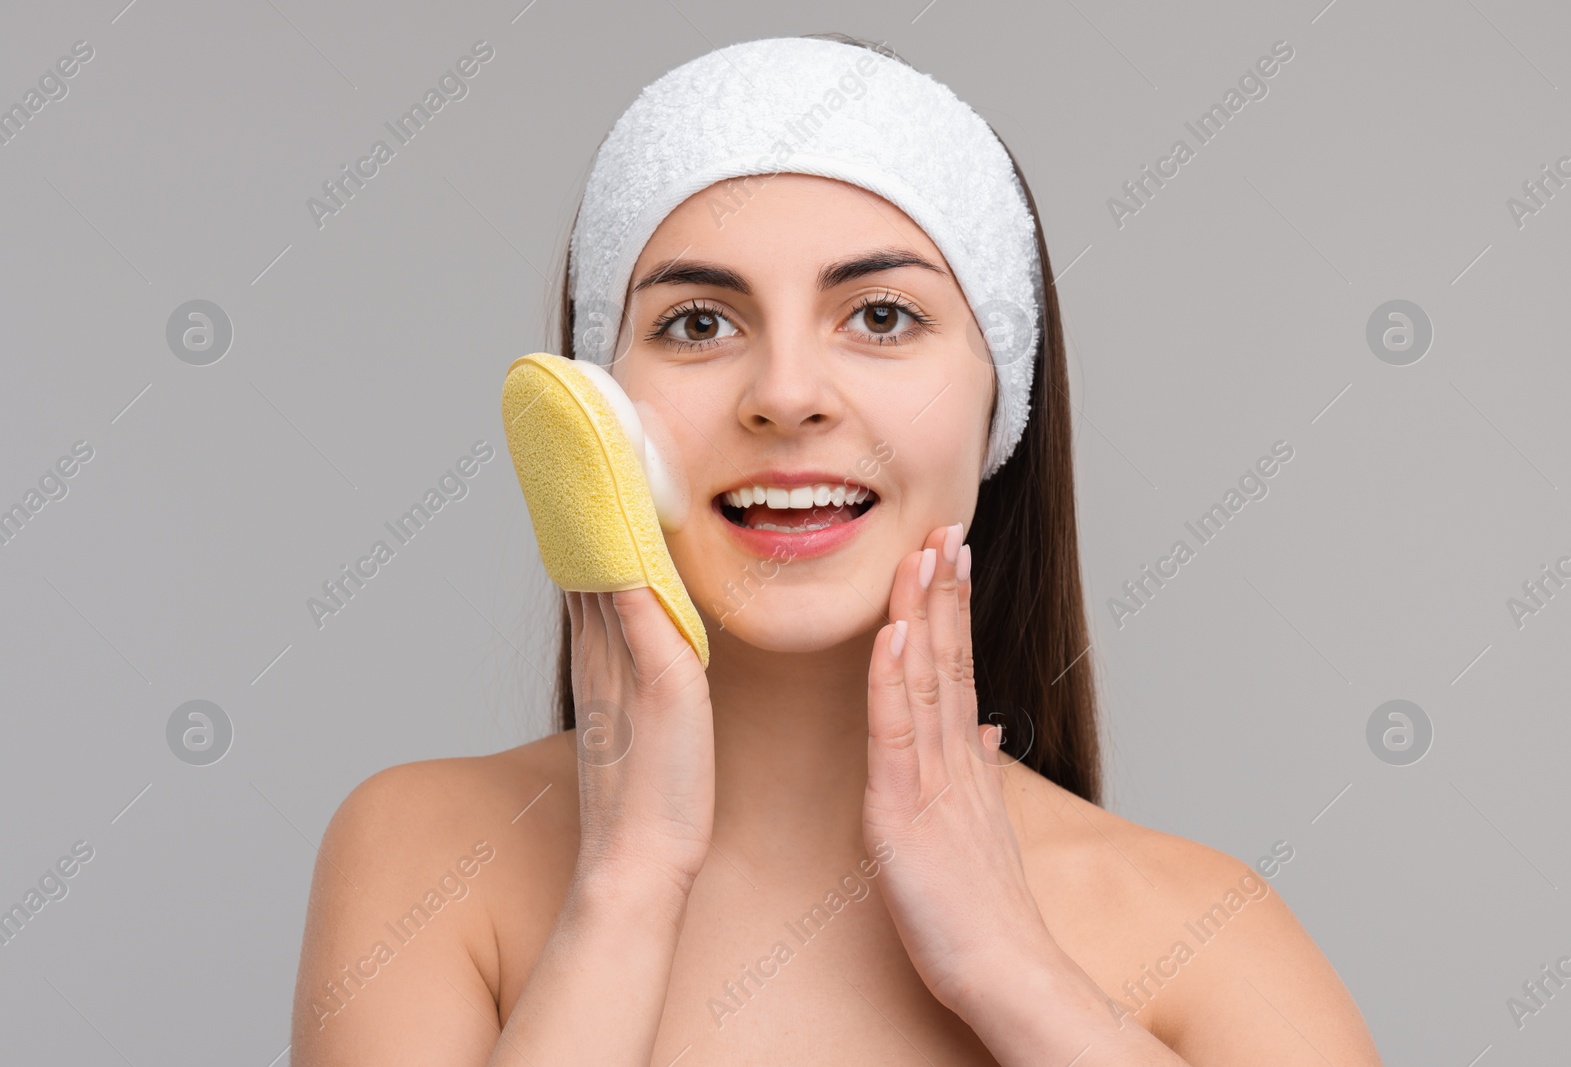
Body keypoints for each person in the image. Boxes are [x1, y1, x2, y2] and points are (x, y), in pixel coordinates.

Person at [291, 33, 1384, 1065]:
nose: (785, 396)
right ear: (601, 409)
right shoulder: (426, 859)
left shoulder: (1203, 929)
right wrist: (626, 886)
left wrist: (1012, 968)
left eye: (880, 316)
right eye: (699, 324)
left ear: (999, 394)